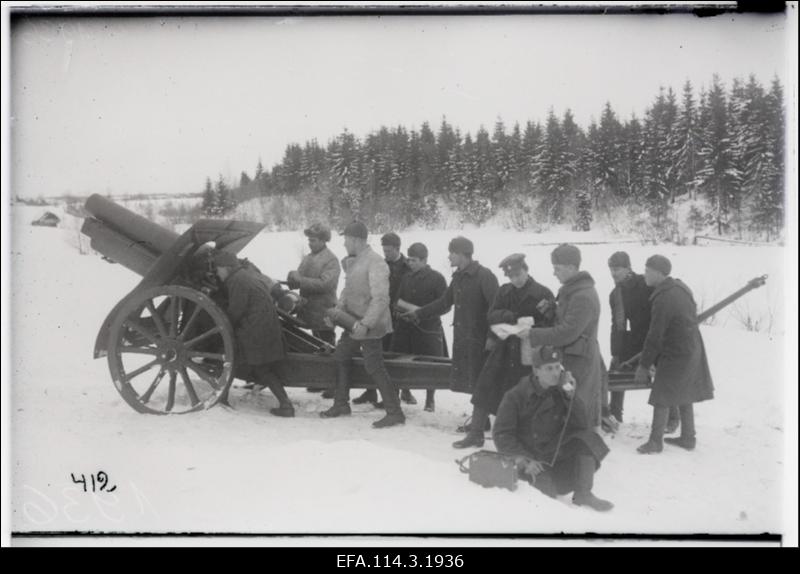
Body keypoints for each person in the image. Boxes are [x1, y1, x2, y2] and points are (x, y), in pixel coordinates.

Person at [493, 345, 613, 512]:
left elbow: (581, 425)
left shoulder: (561, 390)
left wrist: (570, 395)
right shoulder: (515, 396)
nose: (555, 373)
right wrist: (523, 460)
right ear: (536, 371)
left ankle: (584, 493)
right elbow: (502, 435)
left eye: (558, 367)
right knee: (546, 500)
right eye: (549, 368)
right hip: (531, 459)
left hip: (553, 454)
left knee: (587, 438)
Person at [454, 253, 555, 449]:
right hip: (504, 349)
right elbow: (491, 315)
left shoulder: (542, 293)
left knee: (526, 396)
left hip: (528, 353)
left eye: (518, 275)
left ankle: (525, 440)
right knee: (484, 388)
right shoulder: (504, 291)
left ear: (526, 270)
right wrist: (509, 316)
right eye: (511, 277)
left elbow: (551, 323)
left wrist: (532, 326)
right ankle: (475, 433)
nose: (515, 280)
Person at [404, 236, 499, 429]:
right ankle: (481, 421)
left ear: (462, 254)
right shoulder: (458, 277)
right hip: (464, 338)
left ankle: (480, 423)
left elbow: (496, 309)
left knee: (479, 379)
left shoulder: (484, 276)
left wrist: (492, 337)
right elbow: (444, 303)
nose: (449, 257)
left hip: (480, 339)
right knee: (472, 380)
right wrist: (418, 314)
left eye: (451, 253)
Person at [319, 221, 405, 428]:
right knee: (341, 357)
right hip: (353, 322)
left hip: (371, 325)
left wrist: (366, 324)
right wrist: (337, 313)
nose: (344, 244)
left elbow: (381, 299)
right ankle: (341, 404)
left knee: (374, 366)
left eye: (346, 239)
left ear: (356, 240)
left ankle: (395, 413)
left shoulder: (375, 263)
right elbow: (347, 292)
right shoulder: (354, 261)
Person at [635, 255, 715, 454]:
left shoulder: (663, 298)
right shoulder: (681, 287)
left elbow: (655, 335)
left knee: (661, 394)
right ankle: (688, 437)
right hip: (692, 346)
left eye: (647, 271)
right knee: (684, 390)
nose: (645, 274)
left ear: (659, 273)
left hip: (677, 351)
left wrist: (644, 365)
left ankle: (655, 442)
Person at [527, 244, 605, 430]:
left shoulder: (582, 296)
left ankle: (582, 451)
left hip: (580, 362)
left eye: (558, 268)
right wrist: (553, 312)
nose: (554, 273)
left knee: (578, 408)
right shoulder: (572, 291)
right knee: (566, 407)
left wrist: (533, 334)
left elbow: (566, 333)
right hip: (571, 358)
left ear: (571, 267)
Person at [212, 250, 295, 417]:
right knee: (252, 365)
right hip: (263, 328)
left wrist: (220, 325)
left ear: (227, 268)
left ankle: (286, 406)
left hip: (256, 331)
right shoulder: (243, 275)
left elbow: (236, 311)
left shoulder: (237, 281)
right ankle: (222, 397)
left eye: (218, 269)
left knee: (253, 365)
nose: (217, 273)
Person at [606, 251, 679, 430]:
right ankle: (615, 415)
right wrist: (615, 352)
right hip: (629, 341)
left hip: (653, 339)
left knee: (664, 378)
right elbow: (616, 325)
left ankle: (672, 418)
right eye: (611, 269)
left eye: (617, 269)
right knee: (615, 372)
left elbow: (661, 310)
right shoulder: (615, 294)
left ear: (628, 268)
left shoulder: (645, 284)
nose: (614, 273)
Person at [353, 231, 414, 406]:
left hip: (398, 318)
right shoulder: (380, 265)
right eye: (384, 250)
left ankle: (393, 396)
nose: (385, 254)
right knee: (373, 354)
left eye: (388, 251)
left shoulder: (407, 268)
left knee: (392, 356)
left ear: (397, 248)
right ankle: (370, 391)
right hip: (379, 316)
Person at [388, 242, 449, 412]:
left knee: (432, 365)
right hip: (405, 328)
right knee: (400, 360)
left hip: (428, 329)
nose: (410, 264)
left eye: (414, 260)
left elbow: (445, 305)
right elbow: (397, 299)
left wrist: (422, 313)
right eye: (409, 260)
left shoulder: (437, 278)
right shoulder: (406, 277)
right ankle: (404, 392)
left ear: (424, 260)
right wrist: (399, 309)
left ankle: (430, 399)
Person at [287, 222, 341, 395]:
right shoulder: (309, 257)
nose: (310, 243)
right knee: (315, 347)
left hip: (324, 310)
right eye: (309, 239)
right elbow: (298, 277)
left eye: (314, 240)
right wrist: (292, 278)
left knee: (328, 346)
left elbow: (326, 284)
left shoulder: (331, 260)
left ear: (324, 240)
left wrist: (300, 280)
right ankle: (319, 380)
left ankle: (332, 384)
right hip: (309, 309)